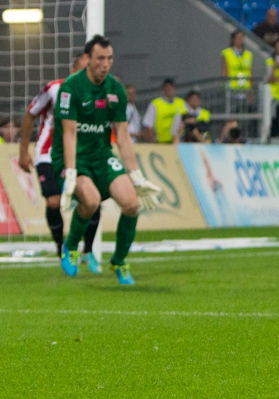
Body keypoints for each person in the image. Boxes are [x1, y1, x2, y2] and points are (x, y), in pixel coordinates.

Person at [52, 35, 162, 285]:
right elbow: (69, 133)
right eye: (100, 58)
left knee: (132, 205)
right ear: (87, 59)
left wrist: (135, 174)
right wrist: (70, 171)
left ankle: (119, 261)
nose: (105, 64)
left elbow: (122, 136)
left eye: (109, 58)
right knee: (90, 201)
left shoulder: (116, 90)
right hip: (74, 157)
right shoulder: (71, 87)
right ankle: (71, 246)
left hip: (101, 156)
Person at [18, 54, 102, 266]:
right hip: (48, 152)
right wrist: (23, 151)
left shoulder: (97, 94)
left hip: (79, 155)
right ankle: (61, 249)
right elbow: (30, 114)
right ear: (73, 70)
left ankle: (87, 251)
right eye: (83, 70)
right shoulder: (54, 89)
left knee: (94, 199)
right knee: (53, 201)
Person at [141, 78, 187, 143]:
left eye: (171, 87)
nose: (169, 90)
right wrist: (152, 143)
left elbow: (187, 120)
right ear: (163, 89)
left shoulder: (181, 103)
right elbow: (148, 125)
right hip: (161, 142)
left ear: (175, 89)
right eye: (167, 88)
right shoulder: (155, 104)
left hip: (178, 141)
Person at [221, 30, 254, 114]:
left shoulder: (248, 54)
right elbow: (225, 71)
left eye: (241, 38)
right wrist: (225, 86)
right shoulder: (227, 53)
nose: (240, 40)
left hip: (245, 88)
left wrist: (250, 90)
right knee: (232, 112)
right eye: (238, 38)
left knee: (245, 112)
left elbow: (250, 73)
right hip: (232, 88)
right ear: (233, 40)